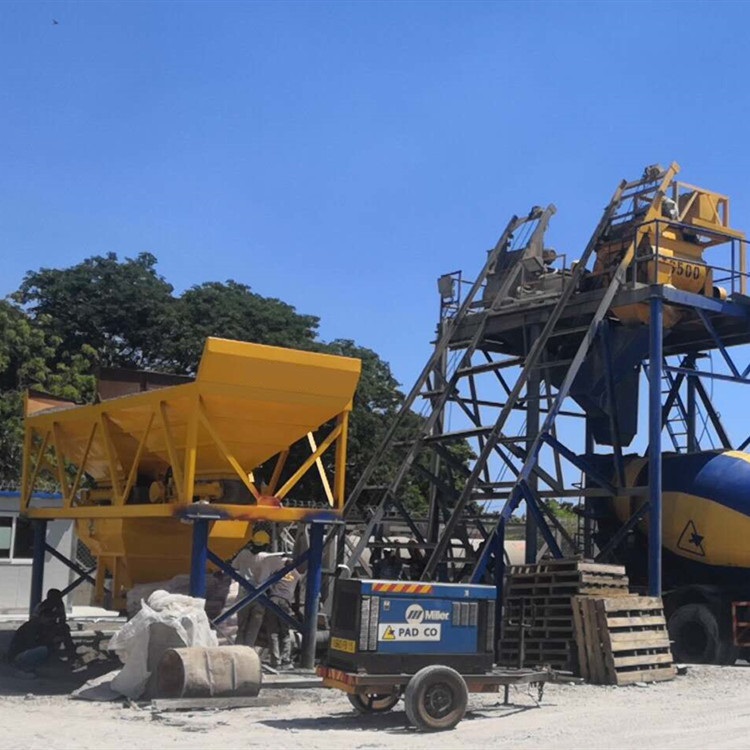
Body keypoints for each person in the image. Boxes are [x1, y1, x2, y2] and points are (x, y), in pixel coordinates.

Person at [233, 528, 288, 648]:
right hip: (259, 598)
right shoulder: (268, 558)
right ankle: (248, 651)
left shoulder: (243, 554)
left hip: (243, 596)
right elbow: (285, 565)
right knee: (253, 629)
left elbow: (234, 566)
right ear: (266, 545)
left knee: (241, 628)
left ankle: (237, 651)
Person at [7, 589, 76, 677]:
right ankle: (24, 669)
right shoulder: (32, 625)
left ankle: (70, 658)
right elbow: (31, 644)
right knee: (43, 650)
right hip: (19, 656)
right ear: (42, 616)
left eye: (53, 618)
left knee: (61, 632)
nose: (51, 620)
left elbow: (62, 622)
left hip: (32, 648)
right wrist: (50, 641)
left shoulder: (57, 609)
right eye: (49, 617)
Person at [264, 564, 300, 669]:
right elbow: (297, 595)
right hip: (285, 602)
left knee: (273, 632)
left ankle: (275, 661)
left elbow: (267, 585)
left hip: (273, 599)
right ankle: (285, 660)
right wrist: (296, 610)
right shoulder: (297, 575)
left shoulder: (277, 571)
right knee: (285, 632)